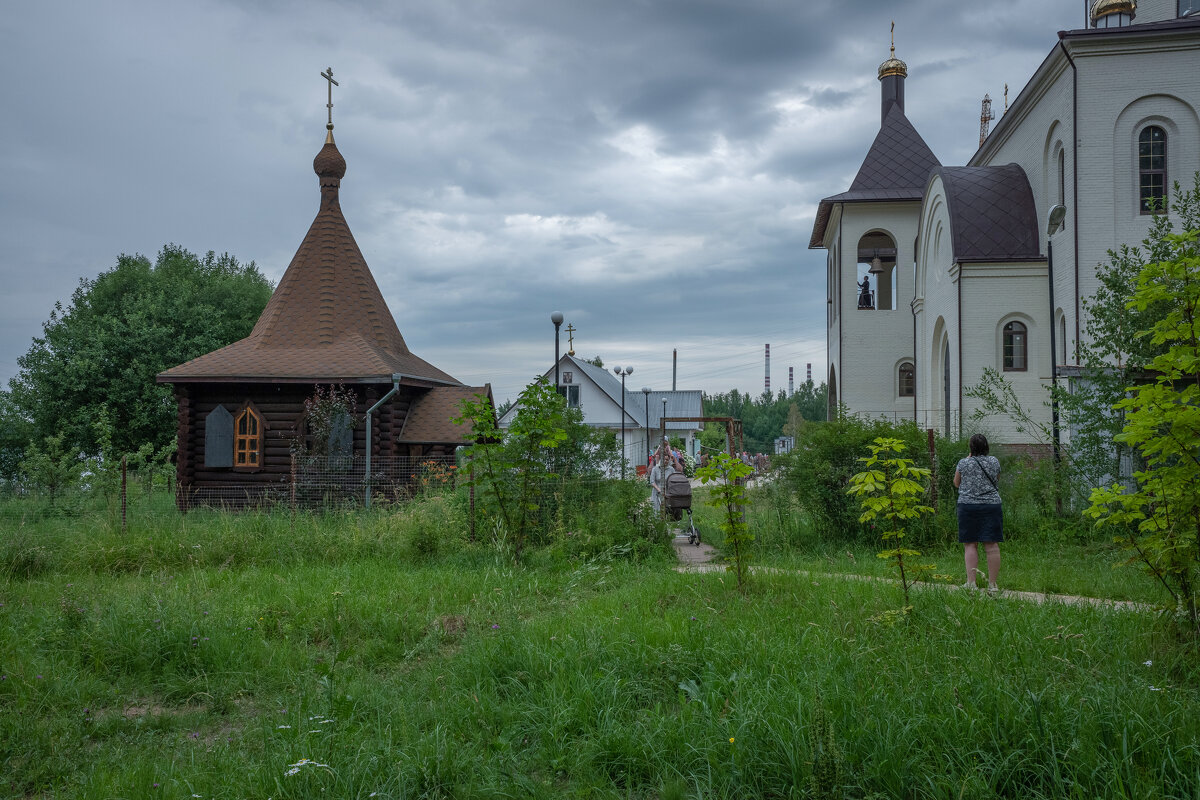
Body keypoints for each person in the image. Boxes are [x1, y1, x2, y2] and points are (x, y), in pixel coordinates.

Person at [954, 433, 1002, 595]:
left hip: (968, 506)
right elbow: (997, 479)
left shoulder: (964, 463)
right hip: (991, 506)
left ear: (971, 448)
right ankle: (993, 585)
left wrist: (968, 459)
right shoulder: (994, 461)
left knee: (970, 544)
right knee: (992, 546)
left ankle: (971, 583)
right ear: (986, 447)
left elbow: (956, 483)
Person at [649, 448, 675, 515]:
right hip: (657, 491)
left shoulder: (671, 469)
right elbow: (652, 481)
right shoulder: (655, 469)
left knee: (667, 510)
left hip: (667, 492)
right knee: (656, 510)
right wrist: (659, 490)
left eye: (667, 459)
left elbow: (674, 480)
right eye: (664, 459)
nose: (666, 461)